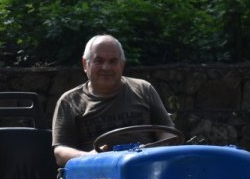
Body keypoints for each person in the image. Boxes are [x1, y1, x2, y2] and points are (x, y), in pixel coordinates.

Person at [52, 35, 174, 166]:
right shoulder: (69, 101)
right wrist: (88, 157)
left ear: (122, 64)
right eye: (99, 61)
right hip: (96, 177)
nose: (106, 67)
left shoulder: (144, 89)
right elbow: (60, 152)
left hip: (147, 170)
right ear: (85, 64)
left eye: (113, 61)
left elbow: (168, 132)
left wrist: (154, 151)